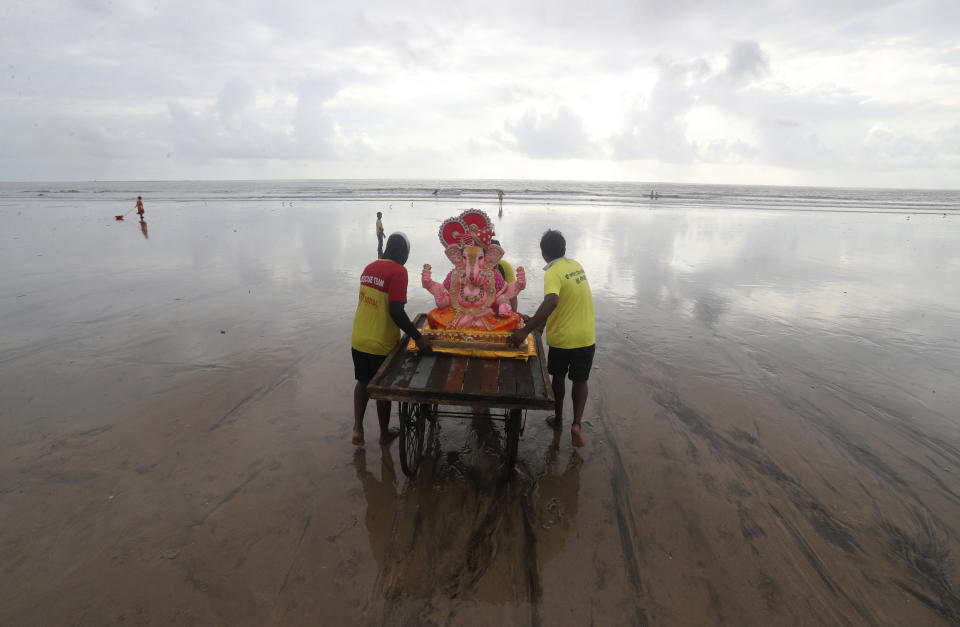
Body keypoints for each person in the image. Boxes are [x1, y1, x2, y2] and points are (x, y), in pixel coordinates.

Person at [508, 230, 595, 447]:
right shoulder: (576, 266)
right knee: (580, 380)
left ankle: (558, 420)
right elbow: (566, 300)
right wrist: (542, 324)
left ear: (544, 254)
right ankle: (576, 424)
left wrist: (525, 330)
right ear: (564, 249)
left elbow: (552, 302)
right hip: (586, 336)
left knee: (558, 377)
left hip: (563, 339)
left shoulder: (553, 272)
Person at [351, 233, 431, 446]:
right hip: (380, 342)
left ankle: (357, 429)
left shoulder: (369, 267)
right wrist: (418, 337)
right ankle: (384, 434)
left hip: (358, 338)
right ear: (403, 252)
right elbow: (396, 311)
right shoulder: (399, 271)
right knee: (383, 390)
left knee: (363, 382)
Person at [490, 239, 519, 313]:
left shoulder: (504, 266)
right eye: (491, 254)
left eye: (497, 254)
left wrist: (514, 313)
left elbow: (513, 294)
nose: (493, 258)